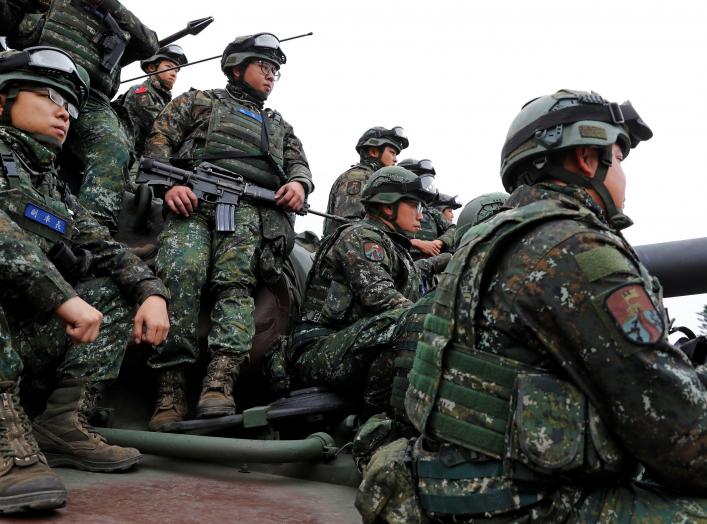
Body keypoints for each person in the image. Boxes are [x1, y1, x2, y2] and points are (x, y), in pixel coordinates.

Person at [356, 89, 707, 523]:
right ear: (585, 157)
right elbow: (682, 441)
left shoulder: (487, 243)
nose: (624, 176)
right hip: (522, 504)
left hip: (450, 492)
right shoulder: (576, 249)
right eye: (618, 158)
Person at [0, 47, 169, 513]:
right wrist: (61, 297)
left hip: (17, 341)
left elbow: (101, 246)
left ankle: (61, 423)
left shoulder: (47, 182)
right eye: (49, 94)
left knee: (112, 290)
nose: (63, 111)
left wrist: (150, 292)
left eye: (72, 104)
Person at [143, 33, 313, 431]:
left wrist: (298, 185)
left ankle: (219, 384)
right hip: (190, 204)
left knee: (235, 285)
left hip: (249, 213)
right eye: (264, 66)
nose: (271, 75)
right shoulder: (199, 101)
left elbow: (299, 165)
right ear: (236, 67)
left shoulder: (280, 126)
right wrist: (172, 186)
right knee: (179, 273)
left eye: (276, 71)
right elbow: (158, 139)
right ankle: (170, 389)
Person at [1, 0, 159, 232]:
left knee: (113, 148)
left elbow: (150, 44)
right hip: (36, 82)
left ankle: (90, 230)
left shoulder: (115, 18)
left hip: (92, 98)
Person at [290, 166, 437, 412]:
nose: (421, 216)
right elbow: (380, 296)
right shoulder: (360, 236)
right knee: (416, 321)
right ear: (388, 206)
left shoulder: (389, 243)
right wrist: (433, 321)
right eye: (416, 206)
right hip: (317, 352)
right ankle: (376, 418)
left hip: (345, 345)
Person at [322, 126, 408, 238]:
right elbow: (351, 225)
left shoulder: (376, 179)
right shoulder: (358, 177)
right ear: (374, 152)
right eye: (392, 152)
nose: (395, 159)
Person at [117, 44, 187, 161]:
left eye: (176, 71)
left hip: (143, 159)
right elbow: (160, 125)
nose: (174, 74)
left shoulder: (163, 99)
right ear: (151, 68)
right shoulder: (140, 92)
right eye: (169, 67)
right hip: (127, 159)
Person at [398, 158, 456, 260]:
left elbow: (453, 229)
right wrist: (415, 243)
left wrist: (439, 242)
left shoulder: (431, 212)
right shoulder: (392, 207)